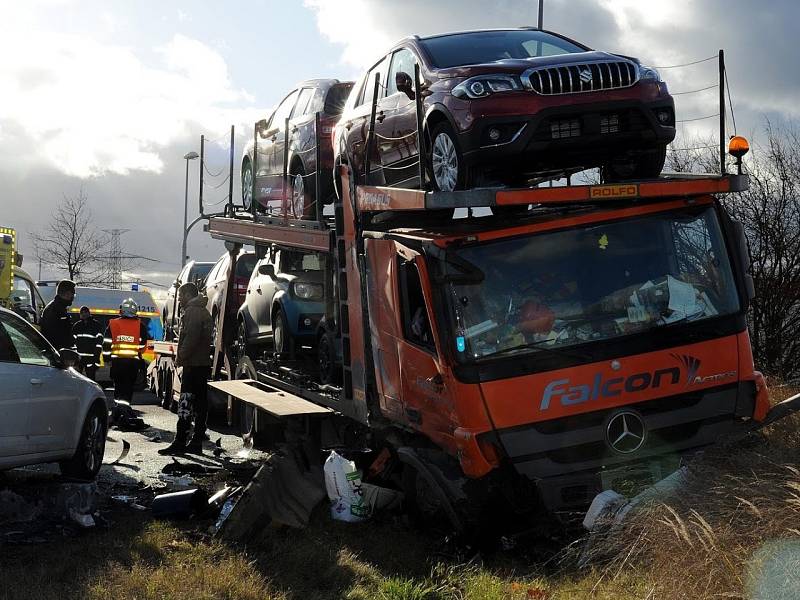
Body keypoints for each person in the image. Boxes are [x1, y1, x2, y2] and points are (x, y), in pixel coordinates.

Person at [159, 282, 213, 455]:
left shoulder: (192, 312)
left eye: (181, 296)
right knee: (200, 404)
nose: (179, 299)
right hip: (201, 364)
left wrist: (180, 357)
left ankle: (180, 441)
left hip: (193, 365)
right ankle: (196, 441)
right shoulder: (201, 310)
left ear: (189, 295)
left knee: (185, 402)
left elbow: (191, 338)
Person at [102, 298, 148, 403]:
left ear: (121, 310)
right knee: (128, 387)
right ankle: (125, 408)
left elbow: (106, 343)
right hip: (132, 363)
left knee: (118, 386)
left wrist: (107, 359)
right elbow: (142, 346)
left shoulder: (113, 324)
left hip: (117, 362)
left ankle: (118, 408)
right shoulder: (140, 326)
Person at [40, 279, 76, 351]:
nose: (73, 297)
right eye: (73, 294)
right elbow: (55, 335)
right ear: (67, 294)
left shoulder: (58, 308)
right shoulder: (56, 310)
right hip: (57, 352)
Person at [72, 306, 103, 381]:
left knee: (91, 379)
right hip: (79, 358)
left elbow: (99, 343)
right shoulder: (77, 326)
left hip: (91, 358)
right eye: (82, 313)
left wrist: (96, 358)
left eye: (85, 312)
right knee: (77, 379)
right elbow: (72, 341)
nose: (83, 314)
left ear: (89, 313)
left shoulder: (96, 325)